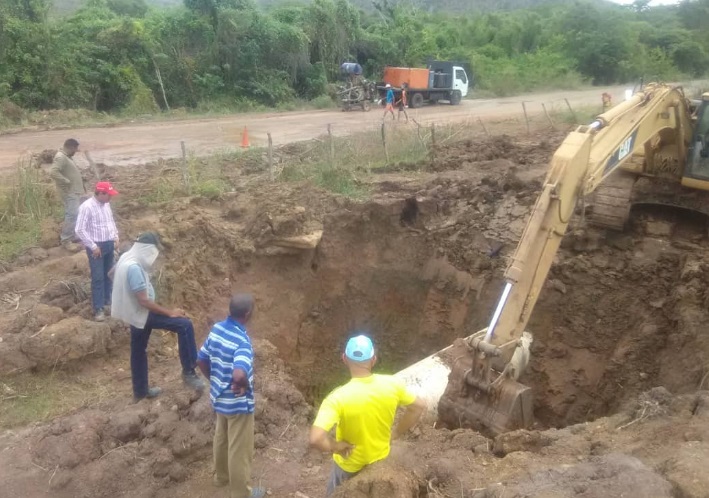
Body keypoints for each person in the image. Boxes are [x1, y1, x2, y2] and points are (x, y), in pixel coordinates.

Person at [310, 334, 426, 496]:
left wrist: (336, 447)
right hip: (379, 461)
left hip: (348, 466)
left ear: (344, 359)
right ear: (373, 360)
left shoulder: (337, 398)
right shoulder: (392, 384)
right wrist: (396, 433)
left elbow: (316, 438)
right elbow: (419, 406)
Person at [110, 232, 204, 400]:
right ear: (146, 250)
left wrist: (123, 294)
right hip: (142, 313)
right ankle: (189, 373)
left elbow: (111, 273)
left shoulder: (126, 258)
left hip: (133, 314)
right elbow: (144, 302)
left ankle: (140, 392)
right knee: (184, 325)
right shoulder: (134, 268)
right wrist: (171, 313)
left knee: (138, 351)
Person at [197, 294, 266, 498]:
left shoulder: (217, 329)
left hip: (218, 397)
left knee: (221, 437)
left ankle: (221, 478)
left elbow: (201, 359)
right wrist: (241, 384)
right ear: (247, 314)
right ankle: (241, 494)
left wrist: (215, 380)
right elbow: (239, 373)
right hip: (237, 404)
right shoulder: (242, 342)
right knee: (239, 449)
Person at [75, 181, 120, 322]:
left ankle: (108, 301)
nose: (110, 198)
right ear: (100, 193)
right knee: (98, 277)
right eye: (108, 195)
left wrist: (115, 236)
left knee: (109, 274)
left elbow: (110, 222)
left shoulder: (106, 204)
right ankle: (99, 308)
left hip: (108, 243)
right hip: (96, 247)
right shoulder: (86, 207)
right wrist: (93, 246)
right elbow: (79, 229)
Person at [49, 138, 85, 252]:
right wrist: (66, 181)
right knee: (72, 214)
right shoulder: (61, 157)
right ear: (71, 147)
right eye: (75, 149)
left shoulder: (67, 157)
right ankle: (66, 240)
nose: (76, 151)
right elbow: (53, 172)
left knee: (74, 213)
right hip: (69, 192)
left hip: (73, 191)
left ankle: (71, 235)